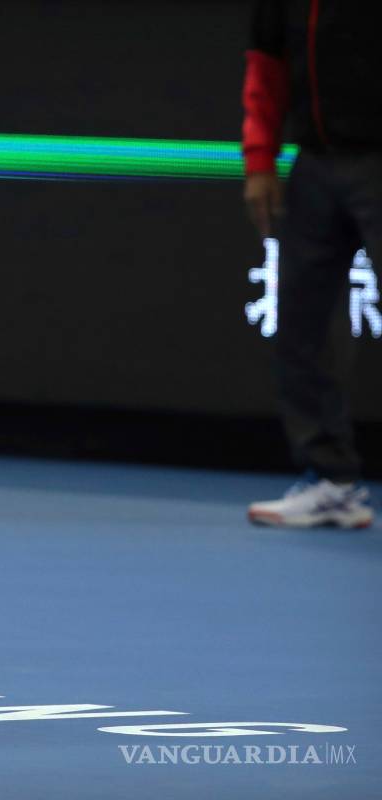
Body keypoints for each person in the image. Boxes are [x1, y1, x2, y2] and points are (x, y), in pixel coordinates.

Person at [241, 0, 380, 529]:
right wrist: (260, 159)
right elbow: (266, 67)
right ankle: (332, 483)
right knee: (302, 324)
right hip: (316, 166)